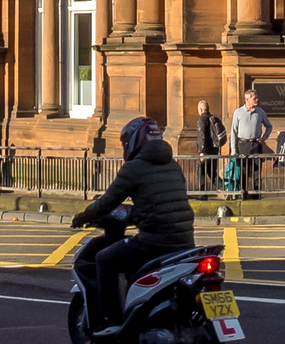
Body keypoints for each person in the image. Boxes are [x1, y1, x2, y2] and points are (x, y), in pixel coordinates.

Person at [69, 117, 193, 335]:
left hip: (155, 242)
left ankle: (108, 321)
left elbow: (107, 202)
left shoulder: (134, 168)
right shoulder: (173, 165)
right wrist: (135, 214)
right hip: (184, 242)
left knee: (104, 259)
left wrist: (83, 216)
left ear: (134, 141)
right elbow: (160, 202)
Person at [228, 90, 270, 197]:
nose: (257, 100)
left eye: (256, 97)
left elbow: (269, 126)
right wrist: (233, 149)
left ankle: (257, 194)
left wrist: (264, 138)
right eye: (254, 98)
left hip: (256, 144)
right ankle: (243, 193)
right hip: (243, 144)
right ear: (247, 100)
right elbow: (233, 131)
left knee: (256, 170)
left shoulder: (260, 112)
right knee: (243, 171)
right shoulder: (238, 112)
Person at [195, 99, 225, 195]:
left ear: (200, 109)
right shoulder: (214, 118)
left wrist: (201, 151)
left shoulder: (201, 120)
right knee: (212, 172)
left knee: (200, 172)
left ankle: (202, 194)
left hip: (206, 151)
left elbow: (201, 135)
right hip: (214, 150)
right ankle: (222, 188)